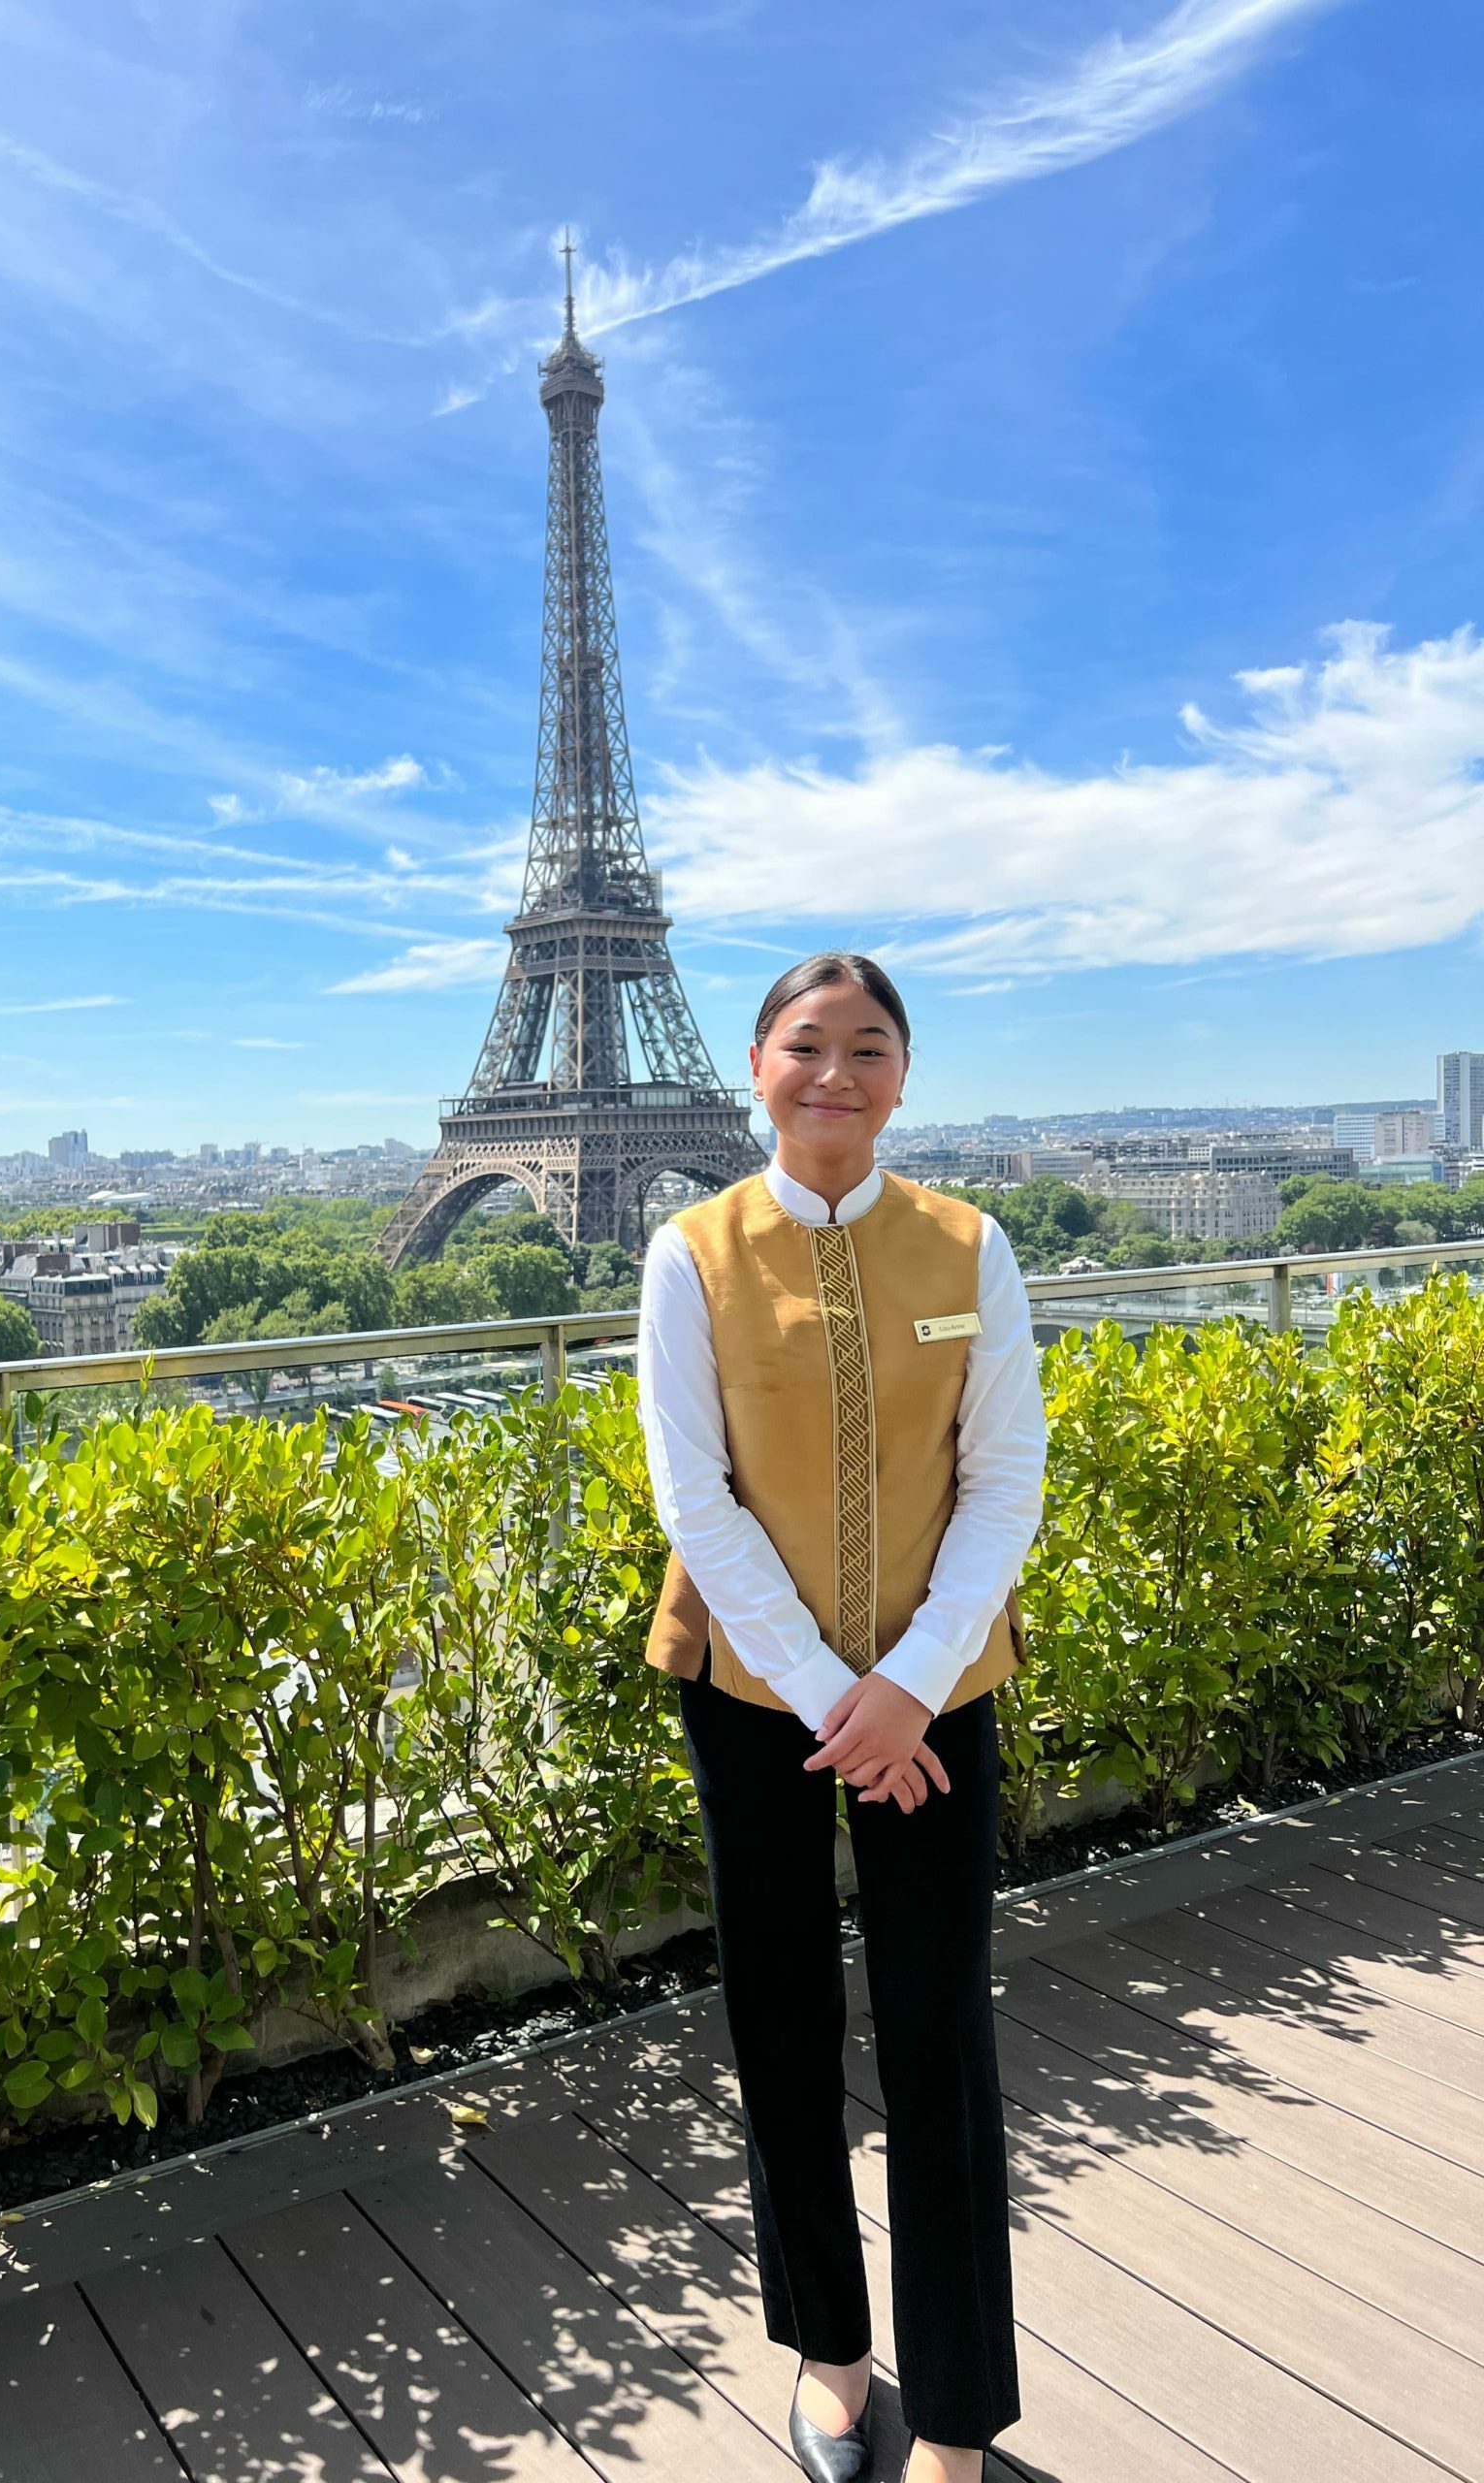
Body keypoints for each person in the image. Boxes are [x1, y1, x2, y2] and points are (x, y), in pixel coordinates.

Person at [634, 951, 1048, 2483]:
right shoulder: (689, 1252)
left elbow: (1006, 1477)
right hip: (756, 1692)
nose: (835, 1073)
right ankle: (828, 2350)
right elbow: (694, 1494)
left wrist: (911, 1683)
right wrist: (835, 1698)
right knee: (783, 2017)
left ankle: (952, 2419)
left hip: (933, 1690)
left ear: (903, 1074)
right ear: (753, 1066)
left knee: (941, 2035)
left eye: (867, 1047)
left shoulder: (969, 1246)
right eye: (806, 1046)